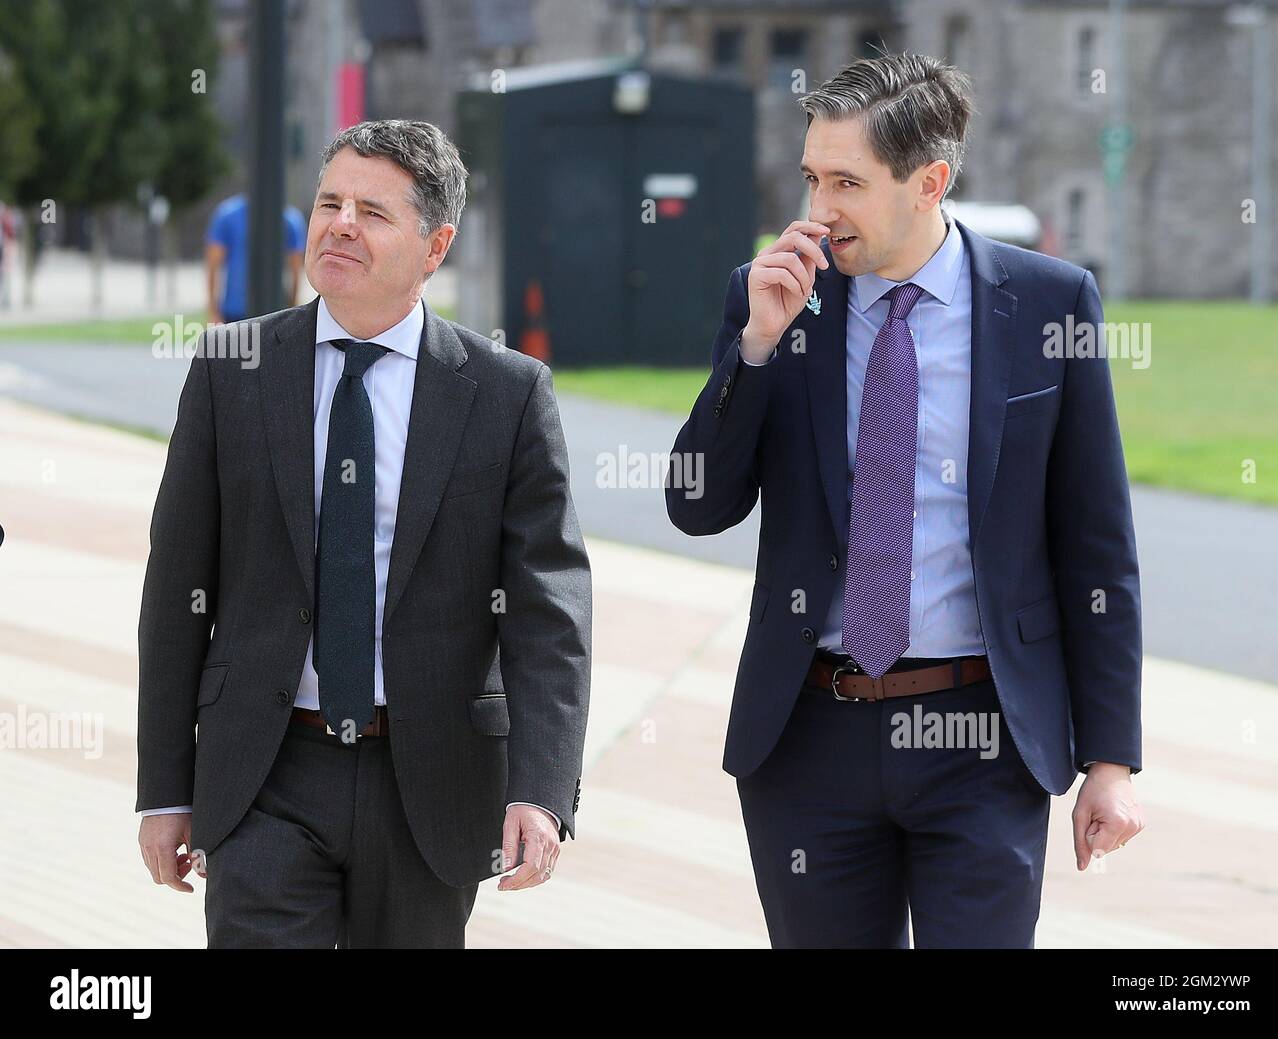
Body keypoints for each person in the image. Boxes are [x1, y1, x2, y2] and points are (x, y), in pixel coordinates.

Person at [665, 53, 1144, 949]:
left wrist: (1110, 762)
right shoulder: (771, 298)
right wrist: (757, 349)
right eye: (813, 177)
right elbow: (697, 504)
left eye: (848, 182)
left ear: (929, 182)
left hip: (982, 738)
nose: (819, 209)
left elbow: (1097, 545)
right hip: (808, 737)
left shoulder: (1050, 302)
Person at [137, 119, 592, 948]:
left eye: (373, 212)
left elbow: (547, 610)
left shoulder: (507, 395)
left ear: (435, 244)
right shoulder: (229, 368)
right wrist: (164, 788)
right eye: (328, 203)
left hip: (431, 783)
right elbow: (175, 592)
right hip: (264, 771)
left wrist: (542, 787)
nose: (340, 223)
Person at [205, 192, 307, 323]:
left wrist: (293, 309)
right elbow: (213, 265)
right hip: (235, 311)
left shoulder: (290, 219)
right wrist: (213, 312)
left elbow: (296, 269)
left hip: (276, 310)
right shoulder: (227, 215)